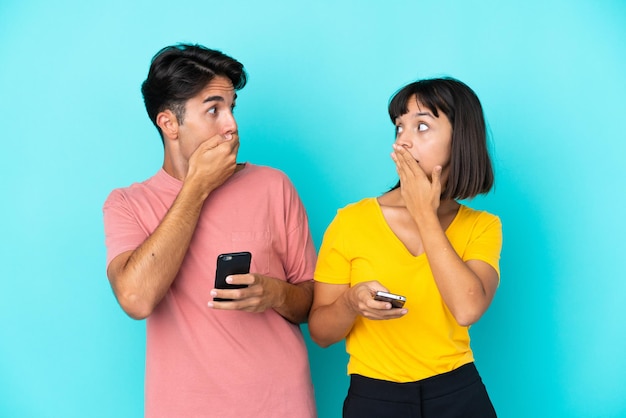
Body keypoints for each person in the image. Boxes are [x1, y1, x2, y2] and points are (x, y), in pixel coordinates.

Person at [103, 43, 317, 417]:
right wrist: (197, 188)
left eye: (232, 108)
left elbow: (314, 302)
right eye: (213, 110)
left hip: (281, 403)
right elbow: (136, 299)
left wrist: (275, 294)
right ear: (169, 123)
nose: (231, 124)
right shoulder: (127, 204)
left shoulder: (273, 186)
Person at [309, 77, 502, 417]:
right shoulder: (351, 221)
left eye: (422, 126)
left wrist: (424, 215)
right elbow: (321, 333)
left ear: (460, 139)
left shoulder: (482, 226)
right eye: (400, 128)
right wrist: (352, 302)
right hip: (374, 397)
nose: (404, 142)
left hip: (458, 392)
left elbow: (467, 309)